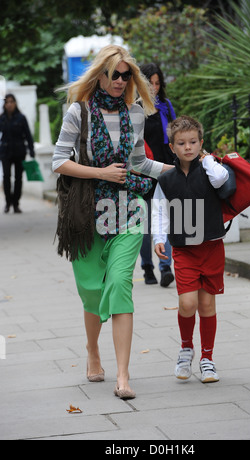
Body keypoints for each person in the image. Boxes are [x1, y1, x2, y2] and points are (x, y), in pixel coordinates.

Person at [52, 45, 173, 399]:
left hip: (129, 209)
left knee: (120, 283)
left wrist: (183, 167)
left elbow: (139, 163)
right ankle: (93, 351)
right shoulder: (79, 112)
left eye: (126, 75)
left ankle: (122, 375)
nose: (121, 81)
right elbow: (59, 161)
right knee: (91, 291)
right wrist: (100, 172)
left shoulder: (136, 113)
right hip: (87, 212)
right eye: (115, 74)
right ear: (100, 76)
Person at [152, 116, 229, 383]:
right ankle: (186, 348)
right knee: (187, 303)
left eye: (193, 142)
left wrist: (208, 159)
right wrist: (158, 238)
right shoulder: (167, 179)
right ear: (172, 147)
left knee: (207, 304)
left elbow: (221, 179)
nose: (188, 147)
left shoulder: (211, 170)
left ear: (200, 143)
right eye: (182, 143)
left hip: (211, 246)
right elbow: (160, 211)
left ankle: (207, 358)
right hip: (184, 249)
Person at [139, 63, 176, 287]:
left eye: (157, 82)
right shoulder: (134, 109)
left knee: (165, 222)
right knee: (145, 225)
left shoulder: (166, 106)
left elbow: (176, 137)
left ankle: (165, 267)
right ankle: (147, 267)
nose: (153, 87)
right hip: (144, 173)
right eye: (149, 83)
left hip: (167, 171)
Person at [0, 94, 35, 213]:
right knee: (6, 177)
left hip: (19, 151)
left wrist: (31, 150)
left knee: (18, 178)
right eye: (7, 102)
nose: (9, 104)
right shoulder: (2, 118)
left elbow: (28, 135)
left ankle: (16, 203)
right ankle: (8, 202)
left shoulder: (21, 117)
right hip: (5, 152)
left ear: (15, 103)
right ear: (4, 105)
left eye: (11, 102)